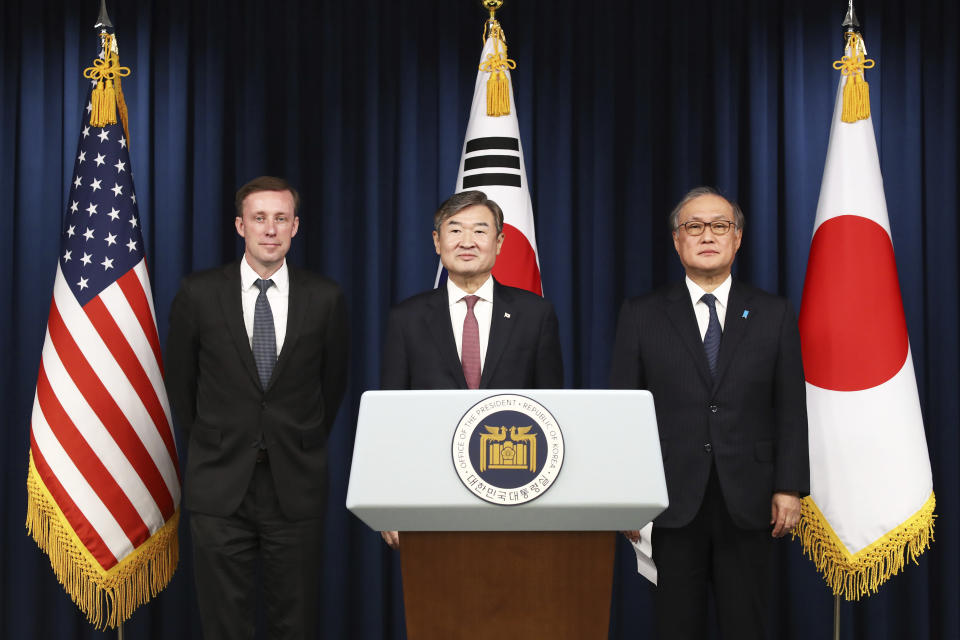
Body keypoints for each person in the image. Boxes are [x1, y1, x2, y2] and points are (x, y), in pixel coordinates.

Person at [610, 186, 808, 639]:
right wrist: (628, 494)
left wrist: (790, 486)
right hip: (671, 498)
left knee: (748, 625)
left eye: (720, 226)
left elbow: (791, 407)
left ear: (737, 239)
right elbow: (624, 412)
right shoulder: (641, 314)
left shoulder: (773, 313)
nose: (707, 236)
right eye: (694, 226)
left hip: (753, 498)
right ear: (677, 240)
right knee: (676, 625)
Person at [165, 176, 348, 639]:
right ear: (240, 226)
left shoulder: (325, 298)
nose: (270, 229)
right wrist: (217, 439)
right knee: (225, 623)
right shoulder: (198, 293)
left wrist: (294, 439)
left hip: (295, 484)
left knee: (297, 621)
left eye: (280, 218)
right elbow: (181, 385)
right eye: (259, 218)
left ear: (296, 227)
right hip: (220, 485)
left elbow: (333, 384)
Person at [379, 189, 563, 548]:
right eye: (455, 230)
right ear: (437, 241)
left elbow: (552, 412)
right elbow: (390, 418)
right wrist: (390, 502)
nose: (467, 242)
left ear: (499, 242)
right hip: (429, 495)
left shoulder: (535, 315)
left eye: (480, 230)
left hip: (517, 490)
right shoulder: (407, 318)